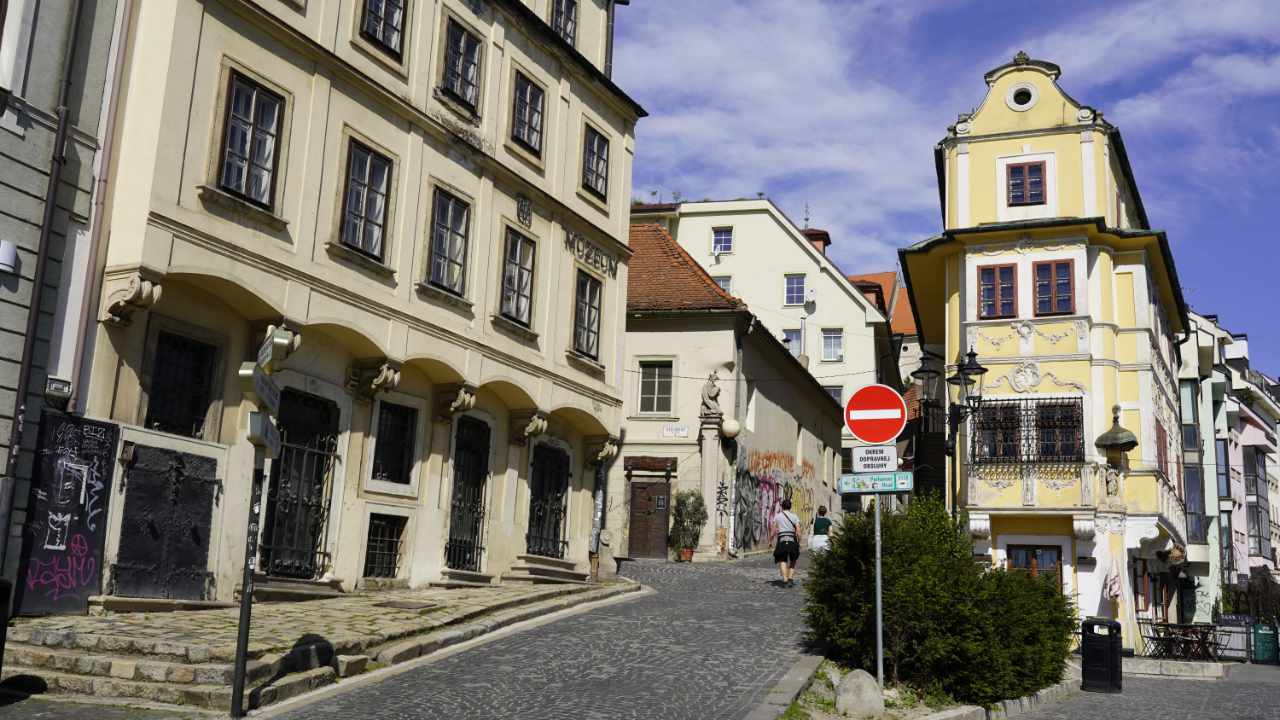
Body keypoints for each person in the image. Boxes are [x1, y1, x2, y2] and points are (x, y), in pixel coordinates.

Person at [770, 498, 801, 587]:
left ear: (782, 506)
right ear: (790, 507)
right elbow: (798, 530)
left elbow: (773, 530)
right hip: (792, 540)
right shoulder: (795, 516)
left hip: (782, 540)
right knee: (793, 559)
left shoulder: (777, 516)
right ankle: (790, 578)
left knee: (782, 559)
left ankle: (785, 580)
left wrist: (770, 541)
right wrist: (799, 540)